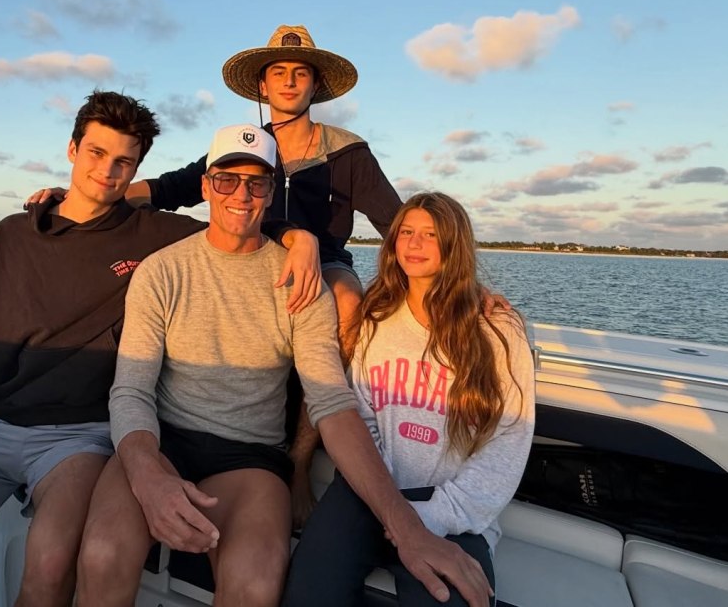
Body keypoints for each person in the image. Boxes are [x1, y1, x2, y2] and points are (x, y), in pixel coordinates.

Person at [0, 92, 319, 607]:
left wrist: (302, 239)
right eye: (96, 153)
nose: (107, 171)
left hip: (84, 437)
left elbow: (236, 224)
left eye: (124, 162)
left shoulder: (153, 235)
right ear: (73, 149)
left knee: (51, 562)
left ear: (137, 169)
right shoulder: (11, 236)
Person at [73, 127, 493, 607]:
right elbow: (131, 391)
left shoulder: (299, 282)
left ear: (272, 194)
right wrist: (148, 477)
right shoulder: (163, 271)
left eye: (256, 184)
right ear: (207, 186)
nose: (241, 195)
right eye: (227, 180)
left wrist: (407, 529)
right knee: (103, 554)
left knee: (254, 585)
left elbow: (332, 403)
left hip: (250, 460)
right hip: (163, 441)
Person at [27, 25, 403, 527]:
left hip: (321, 265)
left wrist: (461, 286)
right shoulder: (243, 150)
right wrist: (82, 197)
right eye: (278, 73)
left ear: (316, 87)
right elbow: (168, 188)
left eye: (300, 74)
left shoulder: (347, 152)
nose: (289, 82)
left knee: (346, 301)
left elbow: (398, 226)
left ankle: (295, 462)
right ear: (262, 89)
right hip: (244, 259)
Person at [283, 192, 536, 607]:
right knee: (305, 593)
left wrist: (424, 519)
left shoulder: (498, 330)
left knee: (455, 599)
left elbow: (507, 444)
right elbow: (360, 416)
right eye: (406, 232)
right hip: (365, 495)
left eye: (431, 235)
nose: (415, 244)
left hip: (454, 513)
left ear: (454, 245)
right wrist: (387, 504)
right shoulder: (377, 318)